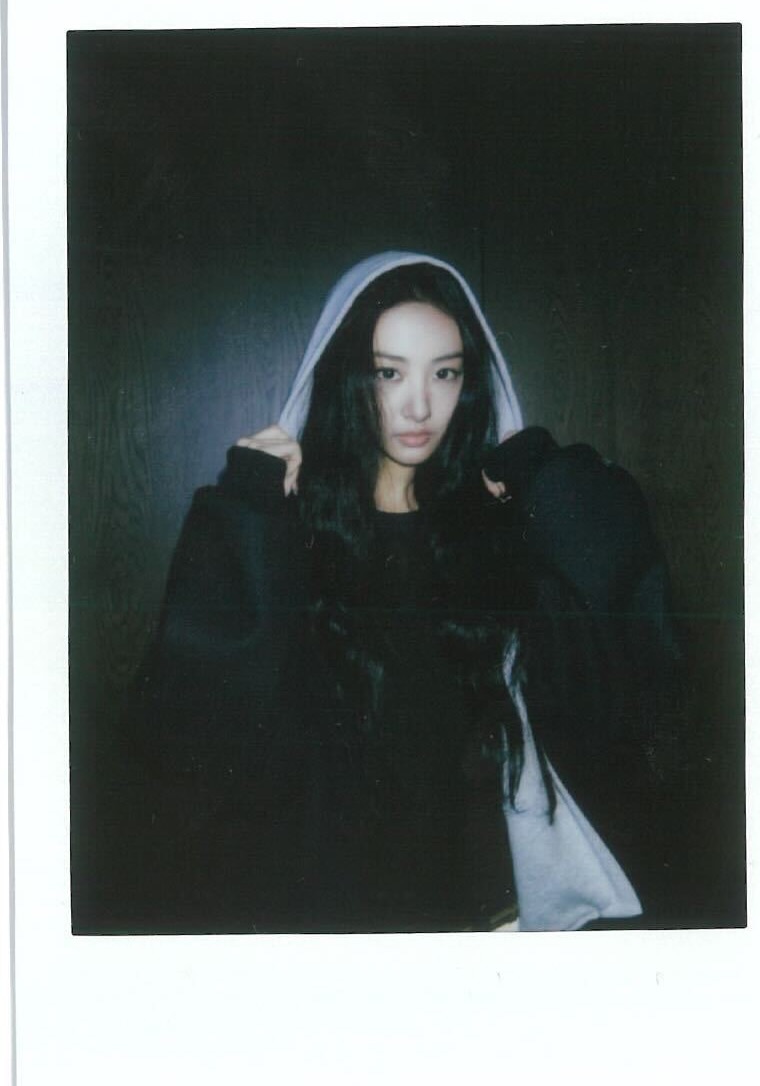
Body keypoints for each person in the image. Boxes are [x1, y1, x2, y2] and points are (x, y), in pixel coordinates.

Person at [109, 252, 684, 935]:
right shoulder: (287, 538)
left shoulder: (490, 538)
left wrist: (536, 469)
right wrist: (248, 512)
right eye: (388, 373)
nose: (419, 406)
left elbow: (635, 635)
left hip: (481, 924)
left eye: (445, 373)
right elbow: (186, 730)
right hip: (326, 923)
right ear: (346, 377)